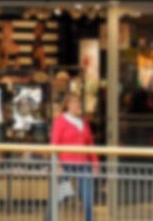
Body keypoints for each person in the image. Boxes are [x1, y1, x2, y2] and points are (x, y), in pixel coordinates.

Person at [45, 92, 99, 221]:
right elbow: (54, 144)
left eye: (78, 102)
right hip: (66, 164)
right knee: (61, 195)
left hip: (83, 164)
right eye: (74, 102)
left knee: (87, 197)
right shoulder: (60, 121)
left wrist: (95, 163)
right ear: (67, 105)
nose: (77, 105)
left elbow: (90, 143)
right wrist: (57, 164)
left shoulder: (84, 121)